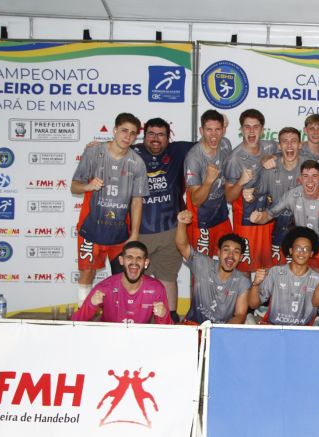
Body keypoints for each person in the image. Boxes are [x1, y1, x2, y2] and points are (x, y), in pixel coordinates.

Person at [71, 113, 149, 305]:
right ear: (114, 131)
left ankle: (120, 318)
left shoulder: (137, 162)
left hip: (120, 232)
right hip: (91, 228)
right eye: (124, 131)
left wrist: (135, 234)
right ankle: (84, 316)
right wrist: (87, 187)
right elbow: (74, 186)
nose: (127, 136)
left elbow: (137, 201)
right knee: (87, 272)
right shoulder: (94, 152)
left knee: (123, 276)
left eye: (132, 133)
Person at [133, 117, 195, 322]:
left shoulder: (178, 151)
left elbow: (211, 143)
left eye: (161, 135)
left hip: (171, 231)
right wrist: (98, 147)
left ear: (169, 138)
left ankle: (171, 319)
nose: (156, 139)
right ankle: (138, 319)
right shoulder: (132, 152)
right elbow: (110, 150)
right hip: (139, 232)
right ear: (144, 136)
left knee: (168, 277)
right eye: (151, 134)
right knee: (138, 279)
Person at [224, 109, 278, 272]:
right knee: (245, 267)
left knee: (268, 264)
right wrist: (241, 184)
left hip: (268, 212)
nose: (252, 131)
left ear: (262, 129)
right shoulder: (235, 159)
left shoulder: (270, 146)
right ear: (241, 130)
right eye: (247, 127)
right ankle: (244, 297)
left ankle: (263, 298)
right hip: (246, 216)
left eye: (256, 127)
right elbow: (228, 197)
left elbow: (293, 148)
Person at [175, 210, 250, 324]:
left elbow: (240, 315)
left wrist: (220, 333)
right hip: (193, 326)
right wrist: (181, 222)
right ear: (219, 253)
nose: (230, 255)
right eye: (226, 250)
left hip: (220, 331)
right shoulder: (203, 264)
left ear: (240, 257)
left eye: (236, 252)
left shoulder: (242, 281)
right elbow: (182, 245)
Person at [72, 241, 172, 324]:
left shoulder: (156, 289)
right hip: (109, 339)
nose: (134, 262)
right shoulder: (105, 287)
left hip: (139, 340)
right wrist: (91, 305)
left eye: (139, 258)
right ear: (121, 260)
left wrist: (163, 316)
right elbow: (75, 321)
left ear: (146, 263)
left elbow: (168, 331)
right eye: (129, 257)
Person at [245, 127, 305, 264]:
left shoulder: (308, 167)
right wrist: (249, 194)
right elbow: (258, 193)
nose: (289, 145)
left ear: (300, 145)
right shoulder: (270, 168)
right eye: (285, 141)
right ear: (279, 146)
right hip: (276, 224)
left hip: (302, 226)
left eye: (294, 141)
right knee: (275, 268)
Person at [248, 227, 319, 326]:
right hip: (275, 328)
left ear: (311, 253)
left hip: (304, 332)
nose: (302, 252)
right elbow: (253, 304)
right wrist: (255, 284)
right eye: (298, 248)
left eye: (306, 249)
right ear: (291, 250)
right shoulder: (275, 272)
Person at [184, 110, 233, 257]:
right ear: (201, 131)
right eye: (209, 130)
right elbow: (195, 200)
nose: (213, 135)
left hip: (221, 215)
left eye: (217, 129)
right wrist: (209, 181)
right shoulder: (194, 158)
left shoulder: (225, 144)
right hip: (202, 219)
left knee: (229, 257)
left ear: (223, 130)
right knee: (202, 267)